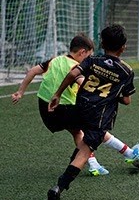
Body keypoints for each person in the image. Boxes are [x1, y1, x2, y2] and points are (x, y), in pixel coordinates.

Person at [44, 25, 139, 200]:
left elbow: (74, 73)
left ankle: (82, 164)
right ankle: (59, 187)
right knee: (84, 152)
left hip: (79, 108)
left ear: (102, 43)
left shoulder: (93, 59)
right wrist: (115, 94)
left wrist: (57, 94)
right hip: (99, 118)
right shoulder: (126, 71)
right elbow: (127, 100)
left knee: (79, 137)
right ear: (123, 47)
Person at [13, 34, 112, 176]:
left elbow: (33, 71)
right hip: (62, 108)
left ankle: (93, 165)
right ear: (82, 52)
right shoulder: (75, 67)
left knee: (77, 132)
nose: (88, 60)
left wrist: (20, 92)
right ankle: (128, 152)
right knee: (95, 127)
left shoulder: (54, 60)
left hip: (45, 109)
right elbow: (83, 83)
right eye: (88, 56)